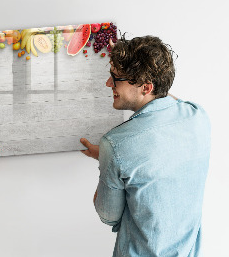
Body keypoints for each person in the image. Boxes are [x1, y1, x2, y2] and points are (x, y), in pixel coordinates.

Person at [80, 35, 211, 256]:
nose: (108, 83)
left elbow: (108, 216)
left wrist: (108, 160)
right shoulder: (198, 116)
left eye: (116, 77)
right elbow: (165, 99)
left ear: (146, 87)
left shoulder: (115, 144)